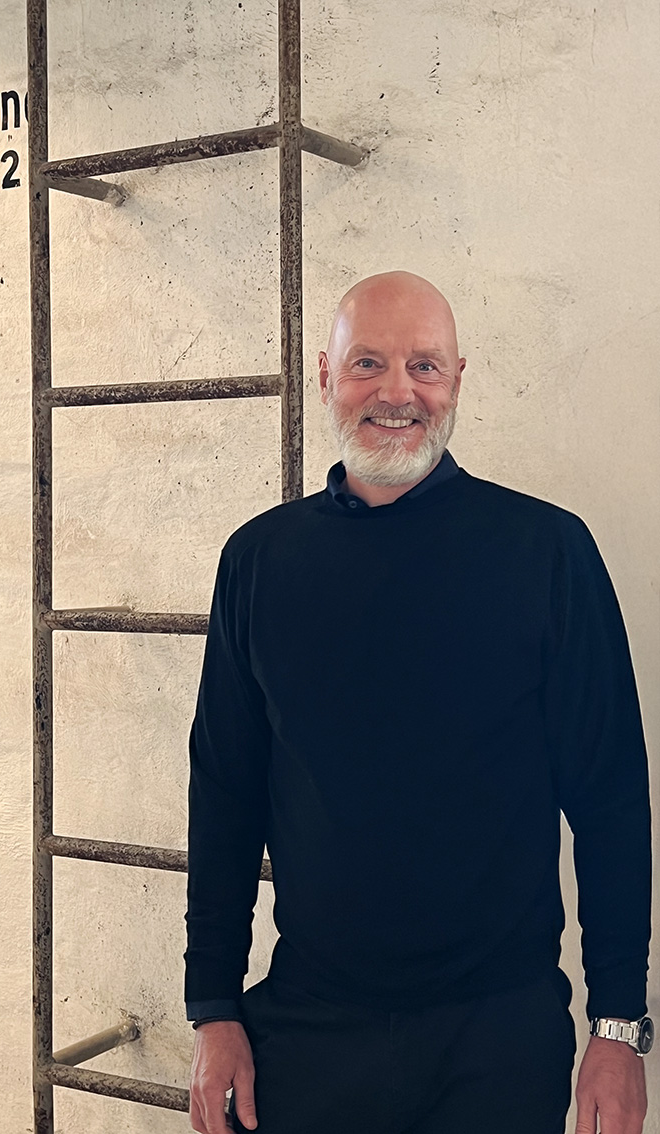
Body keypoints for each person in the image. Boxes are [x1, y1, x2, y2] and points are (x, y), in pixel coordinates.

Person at [184, 271, 652, 1134]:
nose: (397, 392)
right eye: (367, 363)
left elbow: (610, 800)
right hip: (309, 1030)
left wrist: (617, 1025)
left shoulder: (547, 552)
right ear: (325, 376)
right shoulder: (258, 561)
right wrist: (213, 1006)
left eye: (424, 366)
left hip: (499, 1037)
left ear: (457, 380)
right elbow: (224, 793)